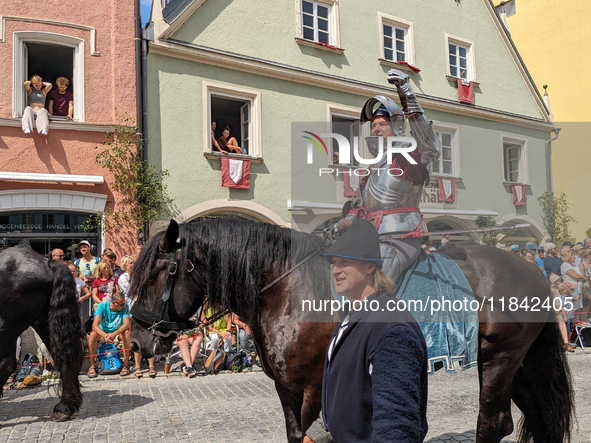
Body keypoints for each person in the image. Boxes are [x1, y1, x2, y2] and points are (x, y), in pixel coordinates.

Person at [329, 69, 441, 282]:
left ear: (397, 126)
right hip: (370, 237)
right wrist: (343, 224)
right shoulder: (373, 166)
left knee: (373, 283)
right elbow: (361, 207)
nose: (376, 129)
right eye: (374, 125)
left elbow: (429, 143)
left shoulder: (408, 157)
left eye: (383, 124)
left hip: (400, 236)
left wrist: (406, 92)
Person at [322, 219, 428, 442]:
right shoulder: (349, 314)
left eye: (345, 262)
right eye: (334, 262)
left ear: (370, 266)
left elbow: (397, 425)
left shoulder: (390, 328)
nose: (335, 270)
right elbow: (344, 384)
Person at [87, 292, 131, 378]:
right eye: (121, 304)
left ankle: (126, 364)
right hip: (103, 334)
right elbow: (95, 326)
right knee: (92, 335)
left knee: (126, 333)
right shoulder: (102, 306)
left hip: (117, 333)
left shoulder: (125, 307)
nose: (123, 306)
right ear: (114, 303)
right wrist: (105, 335)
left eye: (124, 304)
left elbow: (126, 324)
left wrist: (114, 334)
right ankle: (92, 365)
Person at [561, 250, 587, 323]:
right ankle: (571, 328)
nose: (575, 258)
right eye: (573, 256)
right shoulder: (565, 265)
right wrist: (586, 278)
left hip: (578, 289)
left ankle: (577, 326)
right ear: (569, 256)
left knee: (578, 309)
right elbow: (576, 276)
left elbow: (580, 275)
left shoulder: (575, 265)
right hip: (570, 289)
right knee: (572, 309)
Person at [549, 275, 573, 352]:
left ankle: (566, 343)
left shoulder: (558, 290)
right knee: (558, 326)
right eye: (558, 280)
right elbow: (555, 302)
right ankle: (561, 344)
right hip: (555, 310)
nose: (560, 281)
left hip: (558, 309)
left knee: (562, 325)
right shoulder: (552, 290)